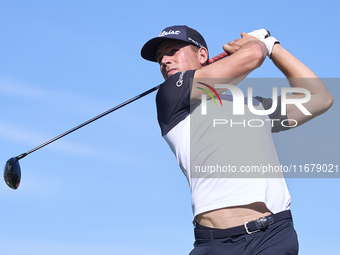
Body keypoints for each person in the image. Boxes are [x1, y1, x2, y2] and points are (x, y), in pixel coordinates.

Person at [140, 25, 333, 254]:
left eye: (172, 51)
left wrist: (272, 46)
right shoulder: (170, 95)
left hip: (273, 236)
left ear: (202, 55)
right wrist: (256, 45)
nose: (164, 60)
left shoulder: (253, 106)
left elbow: (320, 98)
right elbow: (253, 56)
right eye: (160, 57)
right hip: (215, 243)